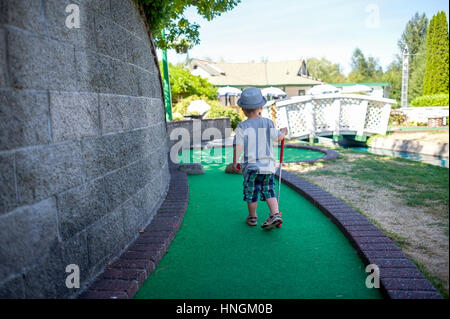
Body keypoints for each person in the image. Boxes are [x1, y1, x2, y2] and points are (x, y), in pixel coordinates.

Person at [232, 87, 287, 229]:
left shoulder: (241, 126)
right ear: (261, 107)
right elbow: (279, 138)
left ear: (243, 110)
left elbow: (238, 145)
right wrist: (283, 132)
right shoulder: (268, 122)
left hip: (251, 167)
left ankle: (252, 218)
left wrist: (235, 162)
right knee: (269, 190)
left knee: (251, 192)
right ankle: (275, 214)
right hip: (268, 167)